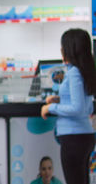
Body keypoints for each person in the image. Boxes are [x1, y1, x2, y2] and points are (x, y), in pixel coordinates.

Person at [41, 28, 96, 184]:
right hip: (84, 136)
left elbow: (77, 108)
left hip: (73, 138)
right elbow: (87, 107)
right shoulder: (84, 71)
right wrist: (59, 99)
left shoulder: (74, 73)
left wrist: (50, 108)